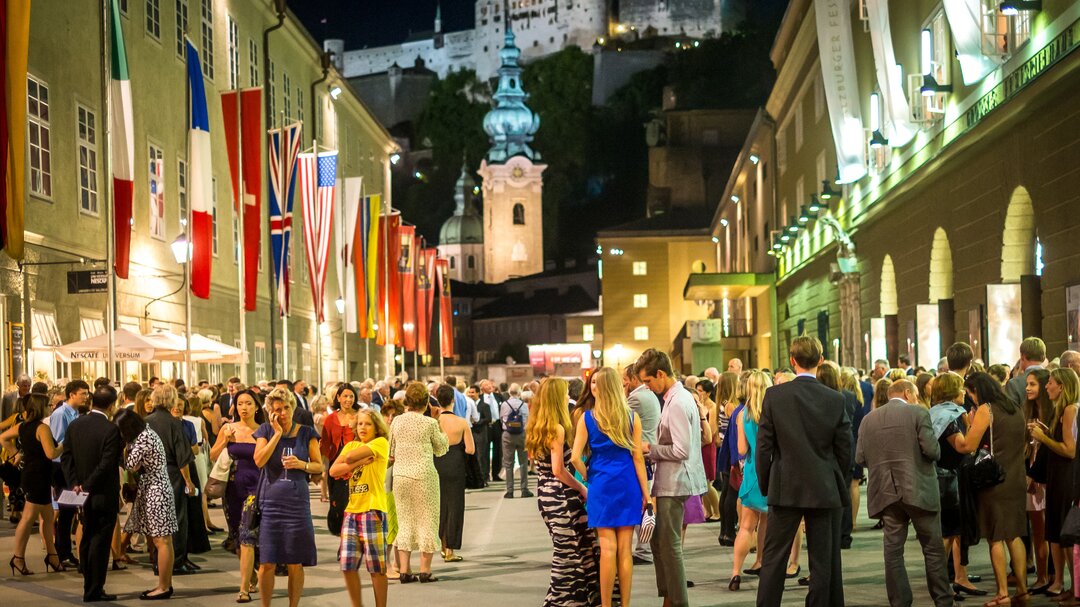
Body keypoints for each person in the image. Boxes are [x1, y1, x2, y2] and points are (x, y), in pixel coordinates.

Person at [756, 336, 851, 607]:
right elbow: (844, 448)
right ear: (821, 361)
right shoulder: (835, 399)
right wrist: (836, 479)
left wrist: (767, 485)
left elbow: (764, 448)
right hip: (823, 486)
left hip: (785, 485)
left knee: (774, 557)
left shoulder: (775, 395)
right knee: (823, 561)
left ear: (792, 361)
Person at [857, 379, 953, 607]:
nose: (918, 399)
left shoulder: (868, 420)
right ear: (908, 393)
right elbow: (932, 450)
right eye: (917, 394)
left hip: (886, 492)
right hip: (918, 488)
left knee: (893, 552)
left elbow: (859, 458)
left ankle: (900, 603)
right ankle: (943, 601)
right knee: (932, 549)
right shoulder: (918, 414)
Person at [571, 367, 649, 607]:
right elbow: (638, 458)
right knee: (625, 550)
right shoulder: (631, 417)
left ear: (602, 388)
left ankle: (606, 605)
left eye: (596, 383)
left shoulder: (587, 418)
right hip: (628, 484)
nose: (593, 387)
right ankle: (624, 604)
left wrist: (590, 476)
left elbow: (574, 458)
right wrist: (647, 494)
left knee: (607, 550)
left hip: (601, 484)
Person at [637, 350, 707, 607]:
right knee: (661, 542)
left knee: (669, 547)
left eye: (648, 381)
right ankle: (669, 598)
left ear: (661, 374)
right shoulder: (675, 397)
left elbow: (680, 450)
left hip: (675, 481)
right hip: (672, 480)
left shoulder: (677, 401)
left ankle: (677, 602)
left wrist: (649, 449)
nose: (647, 387)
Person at [955, 372, 1029, 605]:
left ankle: (1002, 593)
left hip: (993, 480)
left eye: (970, 393)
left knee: (995, 537)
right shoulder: (1015, 407)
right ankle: (1023, 589)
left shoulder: (987, 410)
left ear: (978, 390)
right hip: (1016, 477)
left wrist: (964, 427)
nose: (970, 398)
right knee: (1014, 535)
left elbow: (969, 445)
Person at [527, 377, 599, 606]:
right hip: (561, 495)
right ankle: (562, 599)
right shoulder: (557, 429)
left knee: (572, 546)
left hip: (545, 493)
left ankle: (573, 597)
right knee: (568, 550)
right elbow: (558, 470)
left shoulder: (536, 425)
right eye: (565, 392)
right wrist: (581, 488)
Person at [253, 388, 322, 607]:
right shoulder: (265, 430)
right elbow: (259, 461)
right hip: (270, 505)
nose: (282, 413)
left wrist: (301, 465)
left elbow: (319, 466)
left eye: (286, 408)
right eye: (277, 410)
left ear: (293, 407)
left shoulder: (307, 432)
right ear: (270, 413)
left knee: (295, 563)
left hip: (297, 504)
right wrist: (275, 435)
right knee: (266, 563)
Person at [61, 385, 123, 602]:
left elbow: (66, 458)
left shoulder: (76, 425)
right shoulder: (110, 429)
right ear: (112, 405)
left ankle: (89, 584)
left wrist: (75, 484)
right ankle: (94, 589)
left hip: (81, 492)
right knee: (100, 541)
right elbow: (107, 464)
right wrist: (86, 484)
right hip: (102, 493)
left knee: (87, 537)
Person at [330, 409, 392, 607]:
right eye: (359, 424)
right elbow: (333, 470)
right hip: (351, 511)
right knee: (347, 565)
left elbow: (347, 459)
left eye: (367, 424)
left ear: (376, 427)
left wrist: (350, 461)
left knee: (376, 568)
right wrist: (358, 462)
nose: (363, 428)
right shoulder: (351, 444)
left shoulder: (380, 443)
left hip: (372, 510)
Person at [115, 406, 178, 600]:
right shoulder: (147, 432)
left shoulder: (142, 439)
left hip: (155, 491)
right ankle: (165, 584)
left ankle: (164, 586)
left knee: (161, 541)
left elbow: (130, 465)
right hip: (157, 488)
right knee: (163, 540)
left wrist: (125, 448)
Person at [390, 382, 449, 583]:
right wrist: (439, 424)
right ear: (426, 402)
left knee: (405, 522)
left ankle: (405, 571)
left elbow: (391, 451)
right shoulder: (430, 423)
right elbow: (441, 449)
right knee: (428, 521)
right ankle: (425, 570)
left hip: (401, 476)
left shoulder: (396, 421)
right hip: (424, 476)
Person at [930, 372, 982, 597]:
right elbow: (964, 447)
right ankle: (940, 584)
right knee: (949, 532)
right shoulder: (951, 416)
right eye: (960, 388)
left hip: (942, 476)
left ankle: (960, 577)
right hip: (949, 479)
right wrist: (972, 426)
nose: (964, 392)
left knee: (956, 531)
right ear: (951, 391)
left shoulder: (934, 413)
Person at [2, 393, 65, 575]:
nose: (50, 408)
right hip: (38, 476)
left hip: (32, 474)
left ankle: (52, 555)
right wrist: (63, 444)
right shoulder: (41, 428)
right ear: (40, 407)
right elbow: (51, 454)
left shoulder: (23, 426)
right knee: (28, 518)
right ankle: (18, 558)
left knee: (46, 517)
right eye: (47, 405)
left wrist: (16, 453)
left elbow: (3, 438)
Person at [1030, 367, 1079, 598]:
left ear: (1062, 386)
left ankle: (1071, 586)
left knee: (1065, 533)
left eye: (1050, 382)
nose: (1047, 386)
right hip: (1059, 477)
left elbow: (1069, 451)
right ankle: (1063, 583)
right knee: (1057, 531)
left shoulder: (1070, 409)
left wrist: (1043, 438)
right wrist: (1048, 432)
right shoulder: (1063, 409)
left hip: (1066, 478)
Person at [209, 388, 262, 602]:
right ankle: (251, 575)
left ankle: (243, 589)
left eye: (248, 403)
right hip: (233, 487)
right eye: (240, 403)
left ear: (256, 406)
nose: (244, 408)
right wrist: (224, 441)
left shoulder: (264, 430)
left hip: (257, 488)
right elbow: (213, 455)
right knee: (237, 537)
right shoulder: (228, 428)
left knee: (248, 532)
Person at [145, 384, 197, 575]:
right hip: (172, 474)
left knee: (157, 521)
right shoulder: (175, 423)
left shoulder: (146, 421)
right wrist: (189, 482)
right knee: (177, 519)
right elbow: (183, 456)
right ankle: (176, 562)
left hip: (151, 475)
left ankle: (157, 560)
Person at [728, 370, 771, 592]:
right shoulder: (773, 412)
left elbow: (742, 450)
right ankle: (763, 561)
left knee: (746, 527)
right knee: (767, 521)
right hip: (772, 472)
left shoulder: (742, 414)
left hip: (753, 473)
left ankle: (736, 573)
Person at [624, 363, 661, 565]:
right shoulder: (648, 395)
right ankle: (645, 548)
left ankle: (644, 549)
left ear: (633, 379)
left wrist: (621, 393)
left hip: (642, 454)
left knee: (643, 502)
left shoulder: (636, 397)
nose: (624, 383)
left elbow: (619, 417)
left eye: (625, 379)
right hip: (647, 453)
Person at [433, 384, 475, 562]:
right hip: (456, 464)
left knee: (438, 505)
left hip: (436, 463)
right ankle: (450, 550)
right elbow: (471, 450)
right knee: (455, 506)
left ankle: (440, 545)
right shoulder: (462, 422)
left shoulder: (433, 422)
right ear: (453, 400)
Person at [51, 379, 90, 569]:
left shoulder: (75, 413)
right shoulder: (60, 414)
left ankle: (65, 552)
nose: (86, 396)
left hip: (72, 466)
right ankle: (61, 552)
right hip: (62, 468)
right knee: (65, 511)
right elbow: (59, 443)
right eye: (83, 393)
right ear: (72, 394)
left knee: (70, 512)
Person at [322, 383, 360, 535]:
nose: (348, 399)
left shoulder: (360, 416)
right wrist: (323, 470)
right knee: (339, 505)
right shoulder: (330, 419)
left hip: (356, 465)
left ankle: (353, 538)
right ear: (338, 398)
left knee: (355, 504)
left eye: (351, 396)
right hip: (336, 467)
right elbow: (325, 446)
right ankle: (343, 537)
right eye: (345, 396)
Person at [501, 383, 533, 499]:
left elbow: (502, 419)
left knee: (508, 464)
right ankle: (524, 489)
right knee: (523, 463)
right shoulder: (523, 405)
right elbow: (527, 420)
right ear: (519, 393)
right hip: (521, 435)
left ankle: (510, 491)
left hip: (508, 435)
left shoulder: (504, 404)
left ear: (509, 392)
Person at [1006, 337, 1047, 408]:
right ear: (1044, 357)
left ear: (1022, 356)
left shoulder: (1014, 384)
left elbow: (1011, 414)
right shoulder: (1053, 379)